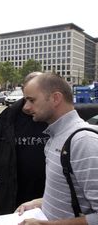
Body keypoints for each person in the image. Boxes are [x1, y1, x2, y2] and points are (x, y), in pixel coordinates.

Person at [18, 73, 98, 225]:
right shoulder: (55, 136)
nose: (26, 107)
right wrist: (39, 202)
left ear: (56, 98)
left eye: (31, 100)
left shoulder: (83, 142)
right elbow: (70, 194)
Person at [0, 72, 49, 216]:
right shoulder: (8, 117)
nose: (28, 107)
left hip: (45, 197)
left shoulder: (52, 117)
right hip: (9, 197)